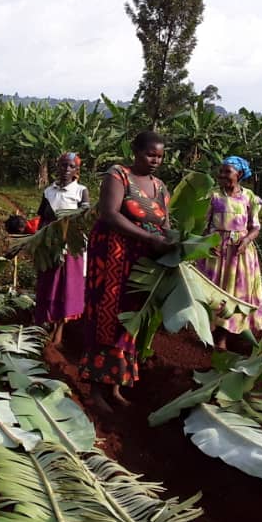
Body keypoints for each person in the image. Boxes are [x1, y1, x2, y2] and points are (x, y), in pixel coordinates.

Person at [79, 131, 177, 412]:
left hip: (141, 263)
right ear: (135, 151)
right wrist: (148, 238)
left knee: (130, 320)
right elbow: (109, 214)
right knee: (106, 318)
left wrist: (180, 245)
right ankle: (95, 389)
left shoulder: (160, 187)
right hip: (112, 256)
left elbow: (165, 225)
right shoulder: (118, 175)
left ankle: (116, 386)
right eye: (150, 154)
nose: (155, 161)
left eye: (159, 156)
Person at [197, 155, 262, 347]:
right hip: (216, 251)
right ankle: (211, 334)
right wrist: (206, 244)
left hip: (239, 253)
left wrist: (246, 240)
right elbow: (203, 225)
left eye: (227, 172)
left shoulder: (249, 197)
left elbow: (255, 227)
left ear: (240, 174)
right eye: (221, 171)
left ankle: (226, 336)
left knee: (234, 294)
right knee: (214, 292)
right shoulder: (213, 196)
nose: (222, 175)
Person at [33, 152, 90, 344]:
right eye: (63, 165)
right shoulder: (49, 191)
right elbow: (42, 218)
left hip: (70, 247)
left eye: (71, 166)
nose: (66, 169)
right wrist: (36, 241)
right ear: (57, 167)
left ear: (77, 170)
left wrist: (67, 233)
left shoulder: (81, 191)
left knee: (66, 287)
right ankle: (45, 321)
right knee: (47, 283)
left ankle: (60, 328)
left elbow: (85, 219)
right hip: (49, 245)